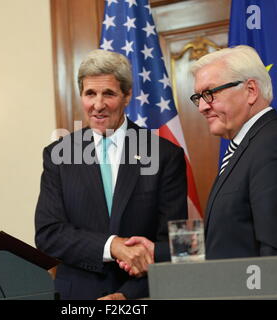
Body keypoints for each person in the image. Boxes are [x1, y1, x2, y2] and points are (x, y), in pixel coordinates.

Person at [34, 49, 188, 300]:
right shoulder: (58, 154)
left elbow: (172, 244)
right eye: (90, 94)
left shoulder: (164, 155)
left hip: (141, 294)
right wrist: (112, 246)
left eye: (109, 93)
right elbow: (49, 235)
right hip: (78, 297)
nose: (98, 105)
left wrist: (126, 295)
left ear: (127, 95)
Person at [189, 45, 277, 259]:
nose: (202, 107)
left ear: (251, 90)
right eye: (198, 97)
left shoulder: (276, 147)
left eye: (210, 93)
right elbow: (233, 236)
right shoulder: (253, 145)